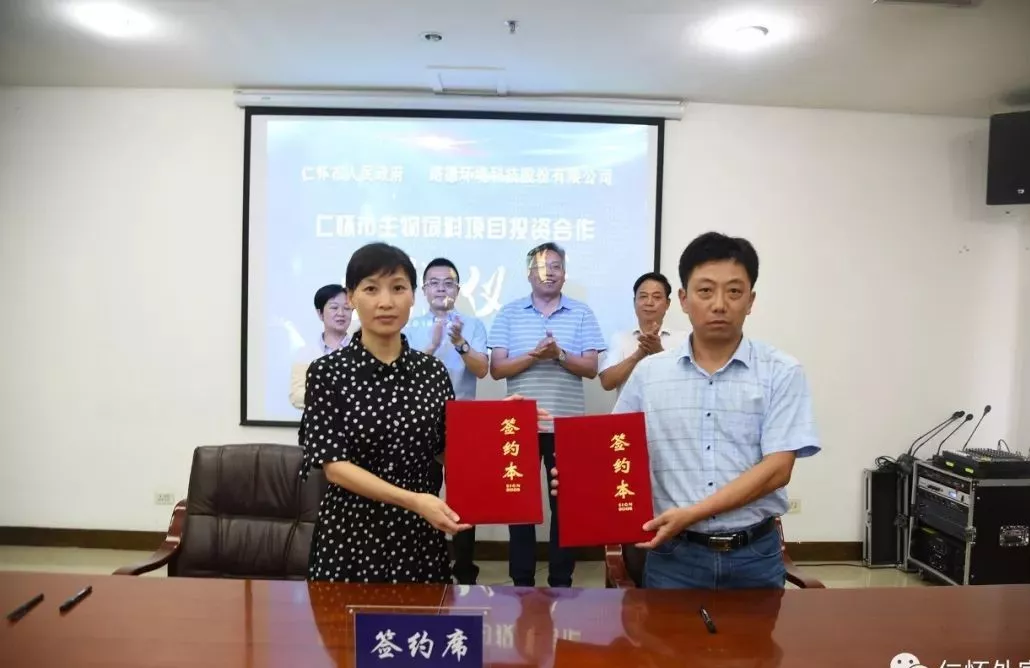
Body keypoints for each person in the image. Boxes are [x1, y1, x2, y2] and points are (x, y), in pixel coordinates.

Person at [551, 232, 820, 589]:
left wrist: (692, 514)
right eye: (705, 291)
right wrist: (580, 477)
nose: (719, 304)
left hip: (754, 556)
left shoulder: (781, 371)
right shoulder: (648, 374)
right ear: (683, 299)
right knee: (667, 631)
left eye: (734, 291)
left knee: (757, 632)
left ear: (751, 300)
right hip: (674, 556)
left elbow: (777, 470)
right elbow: (616, 449)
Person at [488, 242, 606, 588]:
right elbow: (497, 369)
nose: (549, 273)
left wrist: (560, 355)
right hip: (520, 423)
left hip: (566, 425)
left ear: (565, 273)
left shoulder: (582, 313)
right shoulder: (509, 313)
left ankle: (561, 579)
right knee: (520, 506)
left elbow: (591, 368)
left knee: (565, 507)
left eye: (556, 266)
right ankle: (522, 581)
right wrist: (535, 355)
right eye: (542, 267)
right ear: (529, 274)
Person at [402, 257, 489, 585]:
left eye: (448, 283)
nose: (441, 288)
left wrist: (458, 343)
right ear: (424, 290)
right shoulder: (408, 326)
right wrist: (433, 345)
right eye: (434, 283)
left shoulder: (473, 325)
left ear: (458, 289)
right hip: (419, 423)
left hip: (462, 422)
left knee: (463, 500)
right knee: (421, 493)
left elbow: (482, 370)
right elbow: (400, 375)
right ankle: (427, 566)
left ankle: (465, 572)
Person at [598, 272, 688, 395]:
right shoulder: (620, 338)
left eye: (656, 297)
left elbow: (686, 383)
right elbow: (607, 382)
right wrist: (639, 353)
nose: (649, 302)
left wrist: (658, 352)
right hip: (631, 408)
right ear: (634, 302)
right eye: (643, 296)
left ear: (667, 304)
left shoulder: (683, 339)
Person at [289, 284, 353, 410]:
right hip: (318, 421)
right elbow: (297, 396)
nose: (341, 313)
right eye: (334, 307)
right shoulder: (305, 353)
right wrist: (334, 397)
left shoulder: (363, 350)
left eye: (347, 308)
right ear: (320, 313)